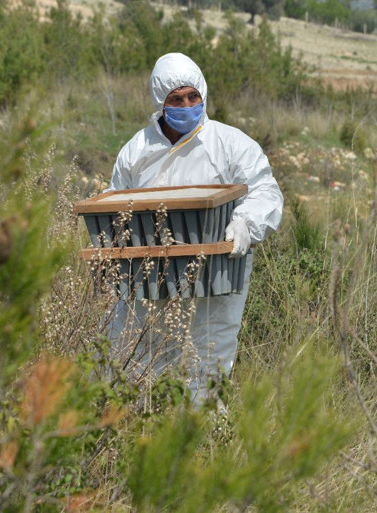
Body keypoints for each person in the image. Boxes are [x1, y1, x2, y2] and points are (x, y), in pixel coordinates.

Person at [105, 52, 284, 406]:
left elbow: (265, 191)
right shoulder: (136, 150)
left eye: (193, 96)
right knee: (138, 356)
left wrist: (245, 224)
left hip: (216, 276)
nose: (186, 105)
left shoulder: (230, 144)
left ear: (203, 94)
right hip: (149, 274)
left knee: (206, 361)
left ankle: (203, 447)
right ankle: (141, 437)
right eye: (176, 99)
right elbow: (115, 203)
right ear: (161, 102)